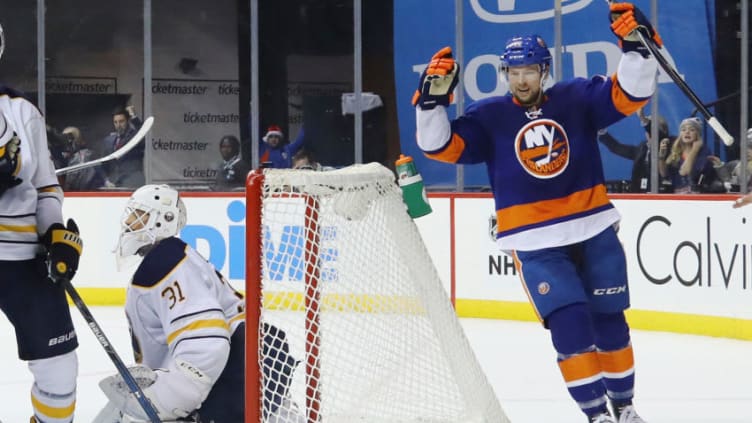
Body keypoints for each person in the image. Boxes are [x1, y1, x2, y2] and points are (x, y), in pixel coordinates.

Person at [412, 3, 659, 422]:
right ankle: (597, 415)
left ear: (544, 71)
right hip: (535, 242)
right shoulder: (489, 117)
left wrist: (637, 48)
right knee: (572, 327)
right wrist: (430, 103)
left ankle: (626, 408)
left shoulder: (577, 97)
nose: (521, 79)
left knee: (611, 325)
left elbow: (631, 94)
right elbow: (440, 146)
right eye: (513, 71)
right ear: (505, 74)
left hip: (593, 226)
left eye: (529, 70)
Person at [95, 184, 302, 422]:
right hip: (249, 361)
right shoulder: (167, 258)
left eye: (139, 214)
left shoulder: (165, 261)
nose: (129, 221)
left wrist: (170, 398)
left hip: (238, 370)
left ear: (164, 219)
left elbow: (204, 343)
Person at [0, 84, 83, 422]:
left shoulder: (21, 110)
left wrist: (54, 233)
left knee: (60, 370)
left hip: (23, 256)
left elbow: (46, 187)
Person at [598, 108, 671, 192]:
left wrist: (643, 119)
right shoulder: (642, 147)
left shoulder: (667, 144)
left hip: (660, 195)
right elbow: (617, 148)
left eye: (652, 127)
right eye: (646, 130)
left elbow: (658, 136)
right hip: (638, 195)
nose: (648, 132)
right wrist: (602, 131)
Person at [658, 117, 720, 194]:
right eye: (683, 130)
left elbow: (684, 172)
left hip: (697, 196)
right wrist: (661, 157)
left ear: (698, 134)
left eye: (692, 130)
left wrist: (695, 149)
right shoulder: (676, 151)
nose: (687, 132)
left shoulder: (704, 151)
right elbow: (664, 174)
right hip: (678, 196)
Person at [101, 105, 145, 188]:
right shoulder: (108, 140)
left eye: (121, 121)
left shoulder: (134, 137)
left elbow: (143, 132)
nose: (118, 125)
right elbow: (103, 163)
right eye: (115, 122)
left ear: (128, 121)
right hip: (114, 184)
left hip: (133, 183)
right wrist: (106, 180)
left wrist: (133, 116)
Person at [62, 126, 106, 191]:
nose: (66, 146)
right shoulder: (65, 159)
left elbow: (75, 187)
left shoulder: (83, 158)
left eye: (70, 139)